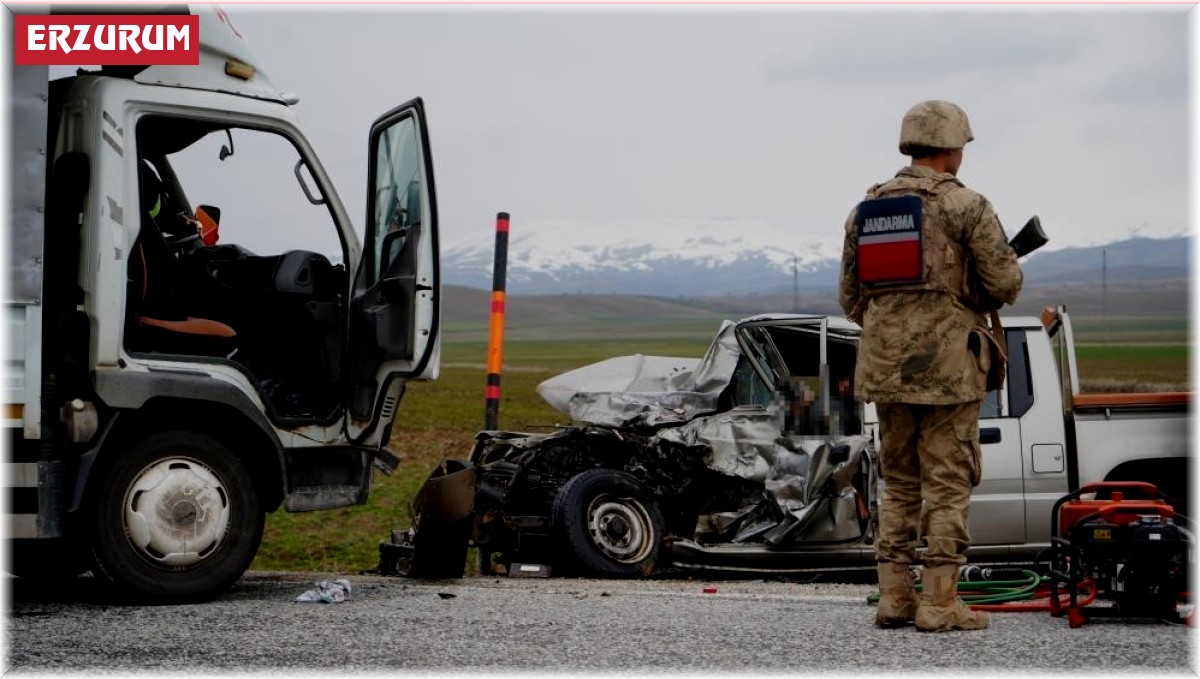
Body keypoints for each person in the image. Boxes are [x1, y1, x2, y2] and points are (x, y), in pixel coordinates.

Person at [838, 100, 1023, 632]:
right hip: (947, 372)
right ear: (950, 148)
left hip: (885, 370)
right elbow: (1005, 285)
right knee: (946, 485)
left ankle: (894, 598)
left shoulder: (866, 210)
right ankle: (940, 604)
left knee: (897, 485)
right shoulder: (966, 206)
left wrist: (897, 324)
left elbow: (852, 298)